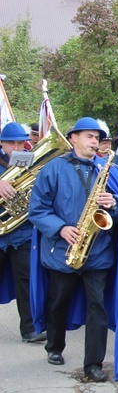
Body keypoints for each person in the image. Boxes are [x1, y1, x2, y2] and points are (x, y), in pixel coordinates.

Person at [28, 117, 118, 381]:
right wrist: (60, 228)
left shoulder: (107, 170)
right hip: (63, 250)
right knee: (58, 301)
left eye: (98, 138)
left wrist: (113, 204)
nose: (95, 142)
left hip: (98, 252)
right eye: (89, 136)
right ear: (73, 138)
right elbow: (37, 210)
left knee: (97, 308)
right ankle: (54, 346)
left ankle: (93, 364)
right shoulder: (53, 169)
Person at [0, 122, 46, 343]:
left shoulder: (34, 160)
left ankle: (30, 329)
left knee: (26, 281)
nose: (16, 146)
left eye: (20, 142)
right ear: (2, 143)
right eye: (11, 143)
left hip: (23, 232)